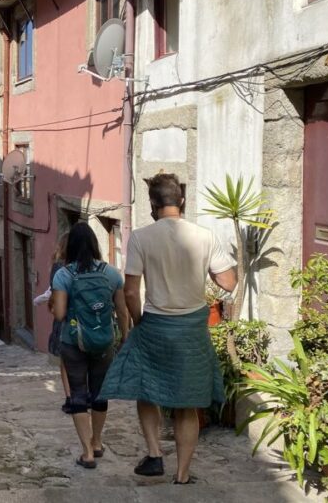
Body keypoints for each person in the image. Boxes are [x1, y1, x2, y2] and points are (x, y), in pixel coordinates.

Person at [98, 173, 237, 484]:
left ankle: (154, 454)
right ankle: (183, 474)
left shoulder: (141, 238)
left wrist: (137, 322)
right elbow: (227, 281)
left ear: (152, 204)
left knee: (146, 390)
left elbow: (131, 291)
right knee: (187, 404)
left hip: (156, 326)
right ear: (182, 200)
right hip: (192, 328)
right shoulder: (204, 236)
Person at [51, 222, 130, 469]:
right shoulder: (112, 273)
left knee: (78, 394)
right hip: (104, 341)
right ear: (95, 245)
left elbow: (60, 314)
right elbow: (122, 309)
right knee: (99, 394)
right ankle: (97, 441)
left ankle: (86, 452)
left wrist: (54, 303)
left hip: (73, 342)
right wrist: (125, 335)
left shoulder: (63, 275)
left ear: (70, 247)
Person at [33, 233, 73, 413]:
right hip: (85, 320)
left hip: (64, 320)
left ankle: (70, 397)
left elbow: (54, 294)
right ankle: (84, 393)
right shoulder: (88, 266)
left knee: (65, 362)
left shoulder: (59, 268)